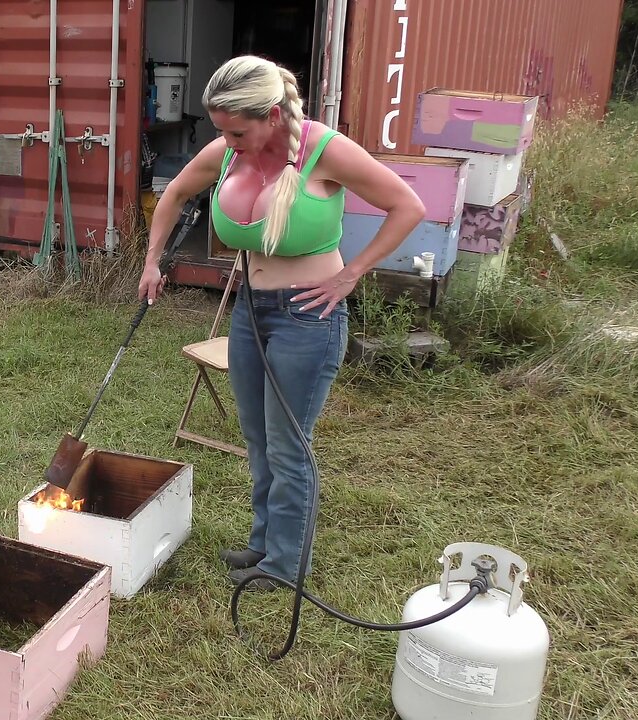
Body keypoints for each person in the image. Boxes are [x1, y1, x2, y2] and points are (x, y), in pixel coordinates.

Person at [138, 56, 425, 590]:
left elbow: (406, 205)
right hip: (252, 310)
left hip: (308, 316)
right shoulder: (228, 151)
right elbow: (174, 193)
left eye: (237, 131)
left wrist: (352, 275)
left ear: (272, 114)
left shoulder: (325, 149)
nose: (227, 141)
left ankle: (285, 566)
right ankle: (263, 542)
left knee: (290, 444)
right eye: (220, 130)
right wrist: (152, 260)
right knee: (257, 438)